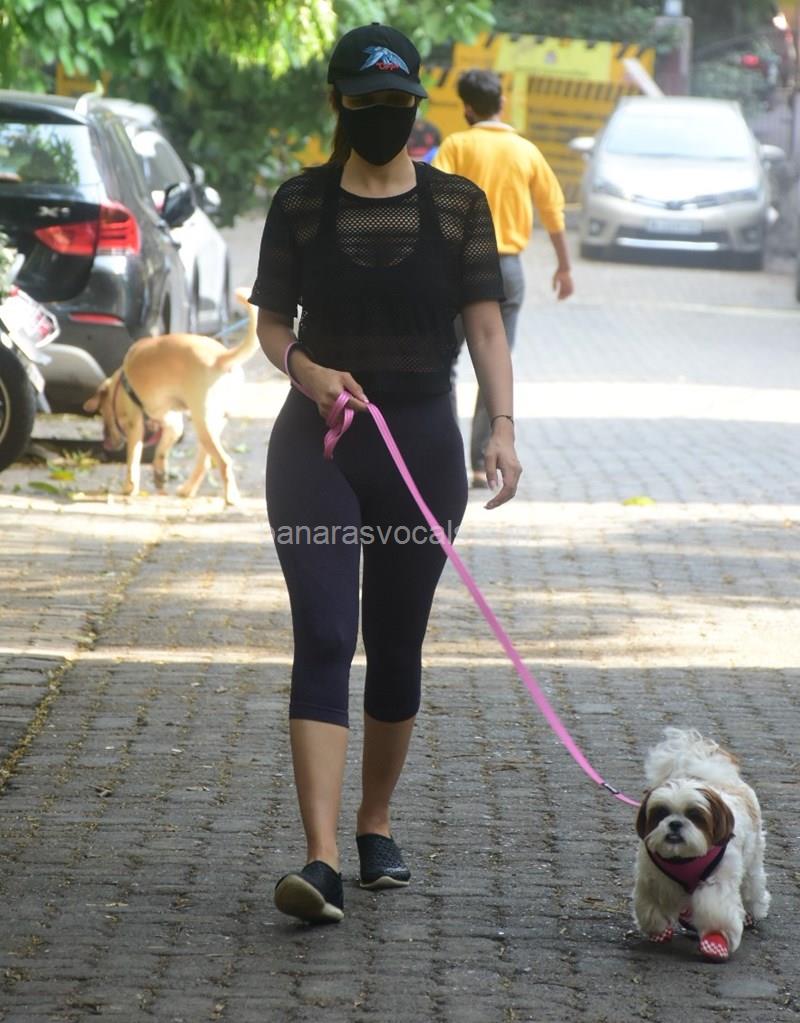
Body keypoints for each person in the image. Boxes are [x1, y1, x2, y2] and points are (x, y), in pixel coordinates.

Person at [249, 23, 522, 924]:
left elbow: (487, 326)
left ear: (417, 105)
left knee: (396, 640)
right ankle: (321, 857)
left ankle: (375, 823)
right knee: (327, 632)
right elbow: (272, 325)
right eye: (366, 104)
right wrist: (308, 370)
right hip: (318, 443)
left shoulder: (458, 206)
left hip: (423, 447)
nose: (383, 117)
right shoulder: (300, 203)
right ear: (341, 105)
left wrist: (502, 428)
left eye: (397, 103)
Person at [433, 68, 574, 488]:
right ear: (502, 103)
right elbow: (553, 210)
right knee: (494, 366)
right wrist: (564, 265)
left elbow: (433, 199)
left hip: (457, 267)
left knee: (443, 362)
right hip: (507, 269)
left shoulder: (457, 145)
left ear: (467, 108)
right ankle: (483, 462)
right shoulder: (525, 151)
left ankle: (443, 456)